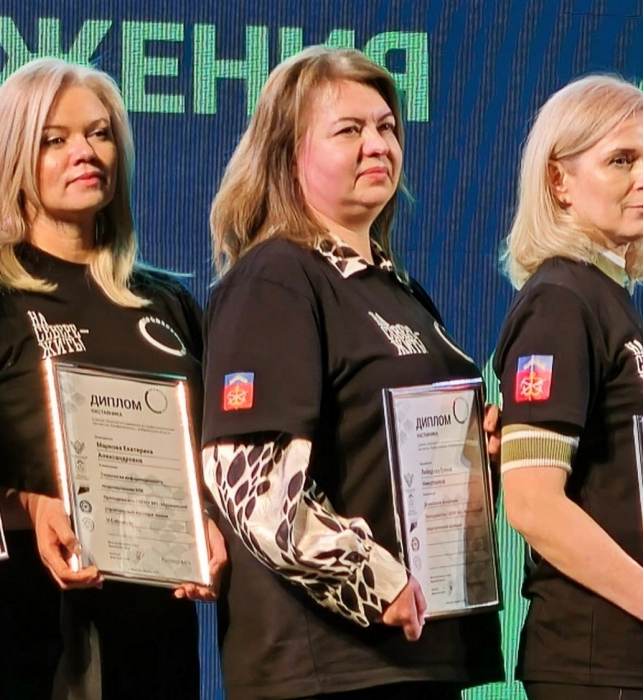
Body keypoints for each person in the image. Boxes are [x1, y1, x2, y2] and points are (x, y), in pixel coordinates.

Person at [201, 45, 504, 700]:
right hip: (328, 664)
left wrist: (474, 455)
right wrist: (373, 579)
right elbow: (247, 481)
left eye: (387, 127)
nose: (378, 145)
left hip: (417, 650)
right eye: (349, 130)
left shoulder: (402, 293)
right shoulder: (276, 278)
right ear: (288, 155)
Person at [0, 57, 225, 700]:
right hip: (30, 637)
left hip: (157, 639)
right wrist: (32, 506)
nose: (86, 152)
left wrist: (208, 523)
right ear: (14, 154)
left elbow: (211, 462)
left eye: (100, 134)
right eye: (56, 139)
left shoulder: (168, 304)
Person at [493, 74, 643, 700]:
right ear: (559, 181)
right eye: (621, 160)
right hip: (594, 662)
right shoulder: (561, 300)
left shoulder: (607, 297)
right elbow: (533, 504)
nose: (642, 177)